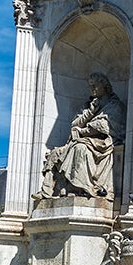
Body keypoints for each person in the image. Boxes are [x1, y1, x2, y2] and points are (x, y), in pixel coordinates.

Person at [35, 72, 124, 201]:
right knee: (55, 153)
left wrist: (82, 131)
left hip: (102, 143)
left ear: (105, 86)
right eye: (90, 86)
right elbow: (74, 124)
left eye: (95, 86)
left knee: (80, 148)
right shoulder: (89, 106)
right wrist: (90, 112)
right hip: (83, 140)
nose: (92, 89)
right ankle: (46, 192)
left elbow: (104, 126)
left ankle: (79, 188)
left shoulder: (114, 105)